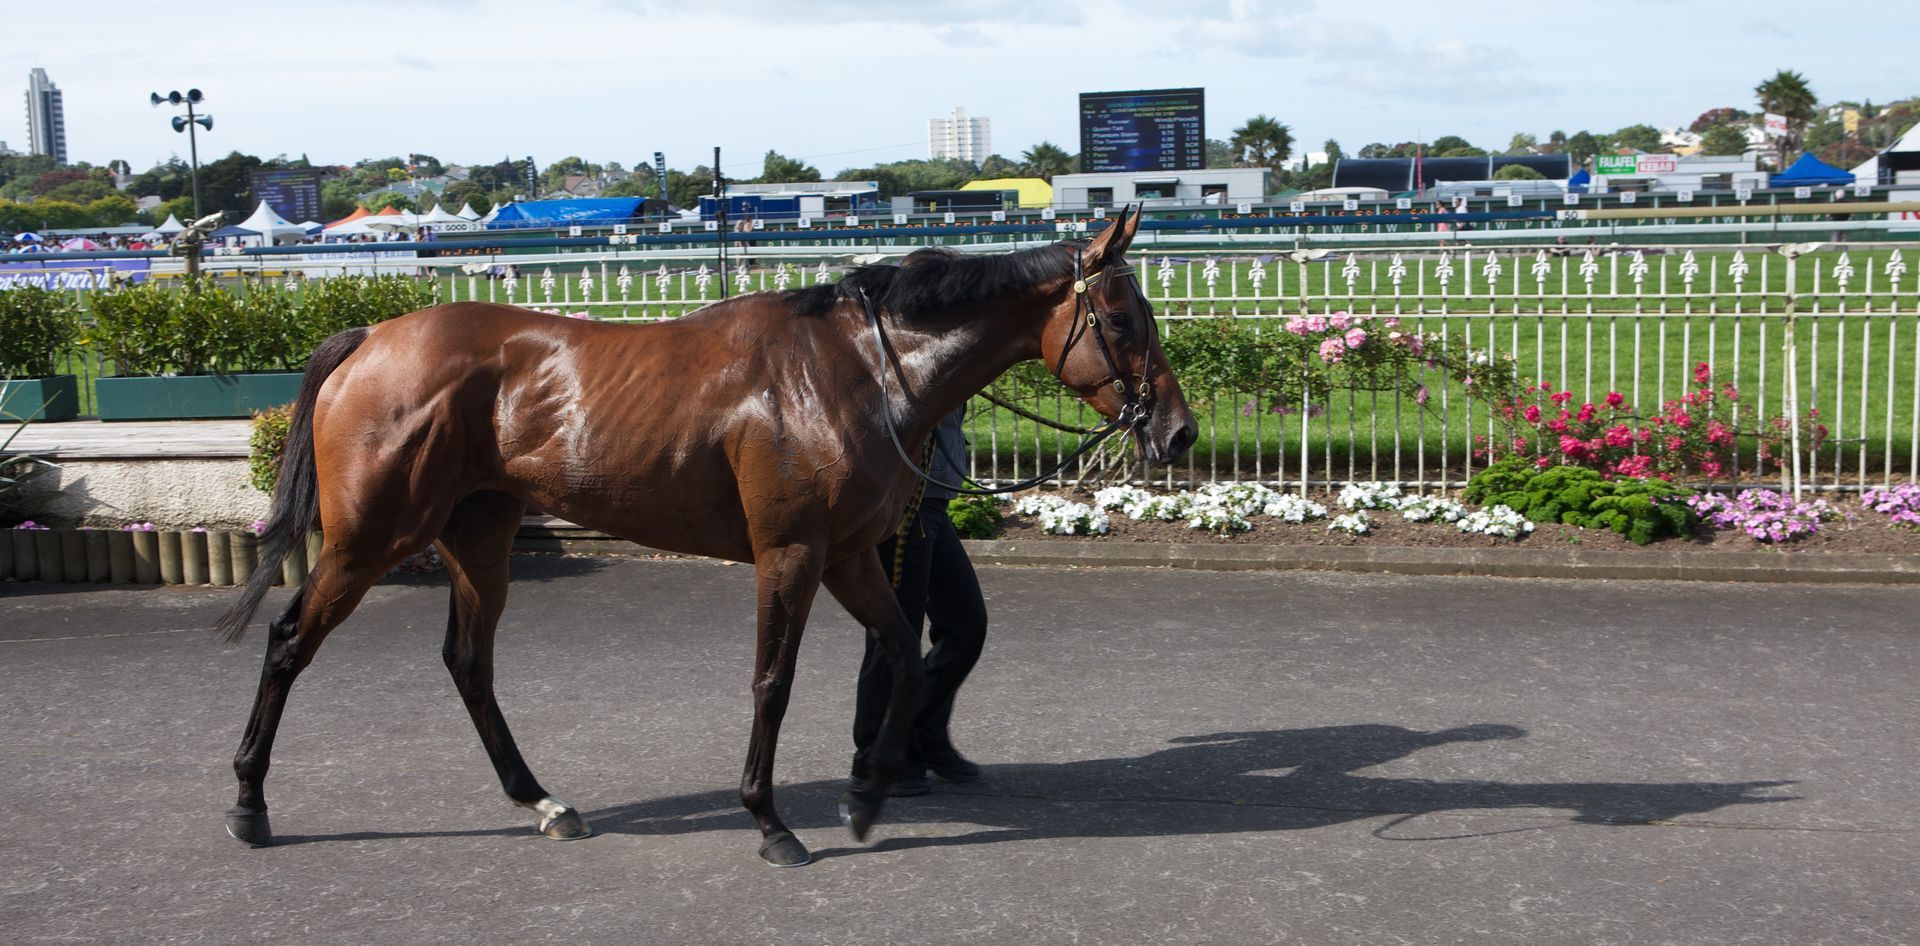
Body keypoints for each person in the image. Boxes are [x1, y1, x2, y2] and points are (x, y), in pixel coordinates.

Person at [850, 407, 988, 797]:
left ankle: (921, 735)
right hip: (904, 492)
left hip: (932, 493)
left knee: (965, 625)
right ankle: (874, 755)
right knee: (895, 632)